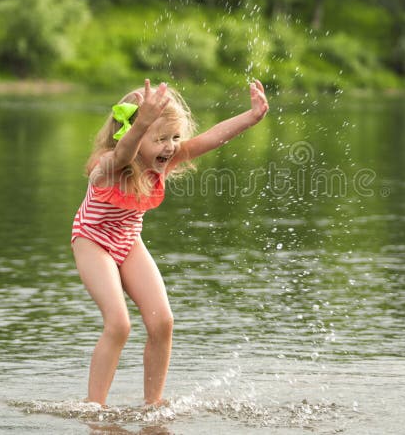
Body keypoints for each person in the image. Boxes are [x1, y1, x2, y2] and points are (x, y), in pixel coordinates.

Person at [71, 78, 269, 407]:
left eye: (174, 137)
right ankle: (95, 409)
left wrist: (251, 117)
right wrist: (143, 122)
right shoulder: (108, 164)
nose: (171, 146)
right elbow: (123, 154)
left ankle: (153, 405)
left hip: (128, 240)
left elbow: (209, 139)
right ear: (132, 132)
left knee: (163, 322)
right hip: (93, 241)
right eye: (161, 138)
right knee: (119, 324)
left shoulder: (164, 160)